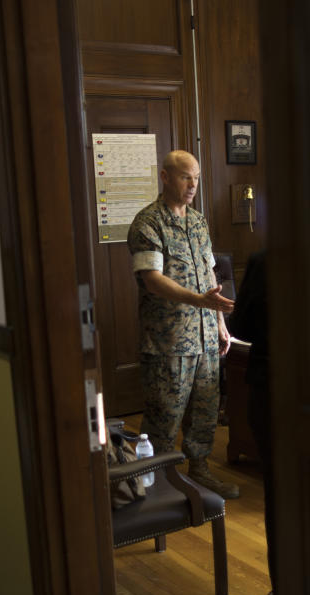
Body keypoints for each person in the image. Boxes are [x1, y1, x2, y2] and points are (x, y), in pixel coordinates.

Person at [127, 150, 239, 499]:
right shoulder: (148, 223)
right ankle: (155, 483)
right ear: (165, 177)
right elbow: (152, 280)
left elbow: (209, 276)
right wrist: (200, 302)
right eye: (184, 177)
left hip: (205, 337)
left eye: (197, 178)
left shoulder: (198, 221)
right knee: (164, 417)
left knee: (205, 412)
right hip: (169, 341)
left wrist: (219, 323)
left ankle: (200, 470)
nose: (192, 185)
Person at [227, 249, 276, 595]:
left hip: (273, 386)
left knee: (280, 497)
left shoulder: (266, 260)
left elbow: (240, 327)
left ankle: (286, 594)